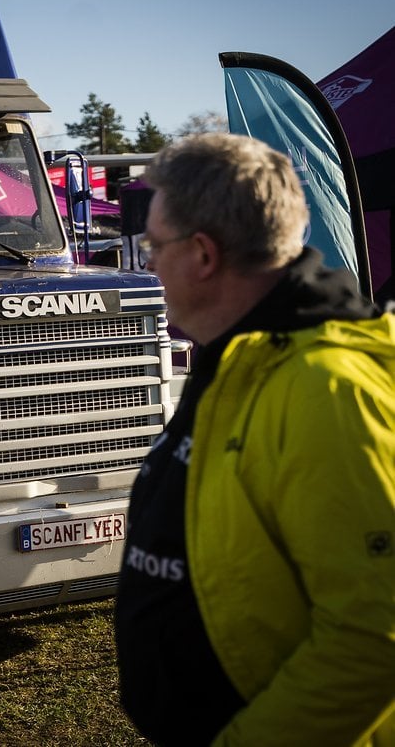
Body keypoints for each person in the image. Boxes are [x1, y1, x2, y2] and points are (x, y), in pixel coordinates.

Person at [114, 133, 395, 746]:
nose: (148, 263)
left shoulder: (326, 388)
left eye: (154, 246)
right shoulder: (240, 352)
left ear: (203, 255)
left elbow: (377, 631)